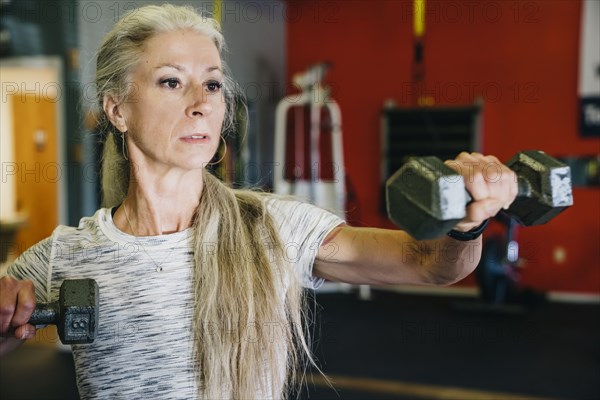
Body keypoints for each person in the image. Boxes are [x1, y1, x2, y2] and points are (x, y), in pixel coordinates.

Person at [0, 4, 518, 399]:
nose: (202, 104)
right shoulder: (63, 255)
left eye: (212, 84)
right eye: (171, 82)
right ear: (117, 109)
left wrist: (467, 224)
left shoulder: (273, 226)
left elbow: (428, 265)